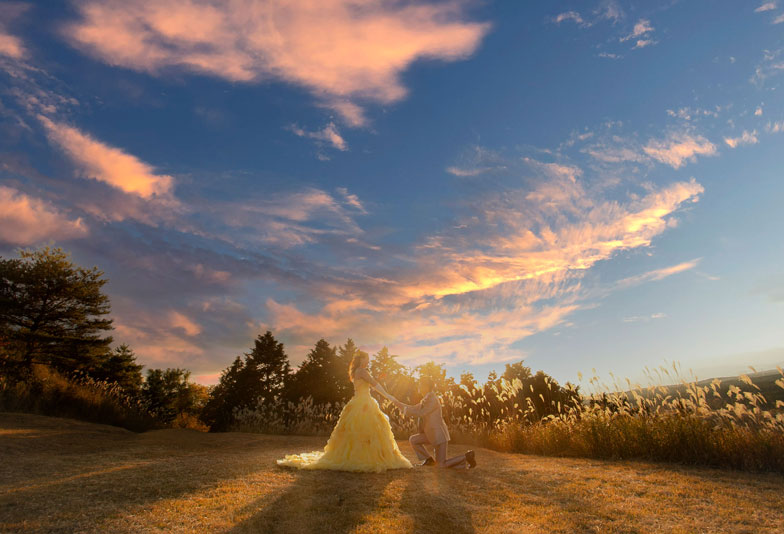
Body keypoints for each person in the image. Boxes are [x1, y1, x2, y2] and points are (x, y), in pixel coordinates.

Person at [276, 352, 412, 472]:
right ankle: (364, 458)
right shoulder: (362, 371)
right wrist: (391, 398)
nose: (368, 361)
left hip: (359, 401)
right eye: (366, 359)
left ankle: (360, 456)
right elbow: (375, 385)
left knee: (360, 432)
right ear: (361, 360)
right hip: (364, 403)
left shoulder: (356, 372)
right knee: (366, 430)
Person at [393, 376, 476, 469]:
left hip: (439, 436)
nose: (419, 387)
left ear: (426, 386)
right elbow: (414, 408)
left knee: (441, 465)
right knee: (413, 440)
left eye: (420, 385)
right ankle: (429, 460)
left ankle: (466, 457)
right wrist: (399, 404)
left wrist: (405, 411)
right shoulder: (426, 398)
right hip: (430, 435)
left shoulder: (432, 399)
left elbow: (421, 413)